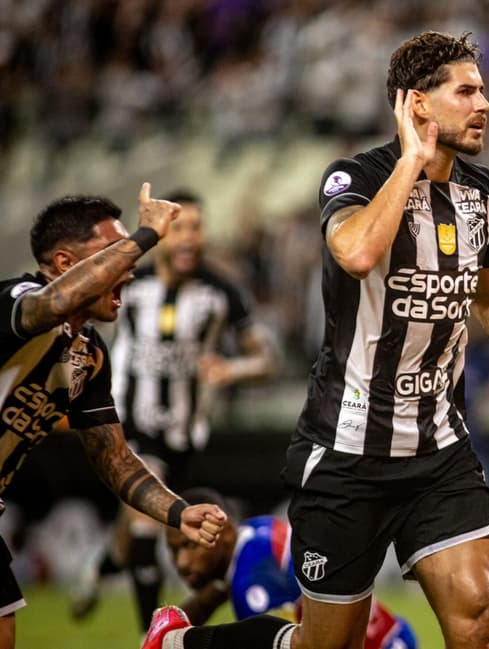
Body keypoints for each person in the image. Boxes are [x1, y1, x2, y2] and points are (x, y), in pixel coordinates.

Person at [149, 30, 489, 649]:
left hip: (439, 449)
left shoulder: (482, 195)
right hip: (348, 452)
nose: (484, 104)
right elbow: (356, 253)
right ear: (416, 104)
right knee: (327, 646)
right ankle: (178, 643)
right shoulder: (351, 177)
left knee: (479, 618)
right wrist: (411, 161)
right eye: (466, 92)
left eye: (482, 91)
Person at [0, 184, 227, 649]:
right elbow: (48, 306)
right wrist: (144, 235)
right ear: (65, 265)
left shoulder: (89, 356)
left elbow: (116, 460)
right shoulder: (18, 298)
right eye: (115, 252)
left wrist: (177, 511)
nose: (130, 266)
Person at [71, 190, 278, 631]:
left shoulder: (222, 292)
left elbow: (266, 360)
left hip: (185, 435)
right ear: (163, 235)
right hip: (131, 426)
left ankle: (105, 564)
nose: (188, 238)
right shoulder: (129, 284)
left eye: (197, 228)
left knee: (137, 537)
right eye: (179, 227)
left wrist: (233, 369)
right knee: (148, 524)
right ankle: (157, 638)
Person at [140, 487, 416, 649]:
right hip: (394, 636)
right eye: (174, 550)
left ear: (223, 533)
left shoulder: (252, 582)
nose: (181, 563)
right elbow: (215, 593)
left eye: (190, 547)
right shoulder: (254, 534)